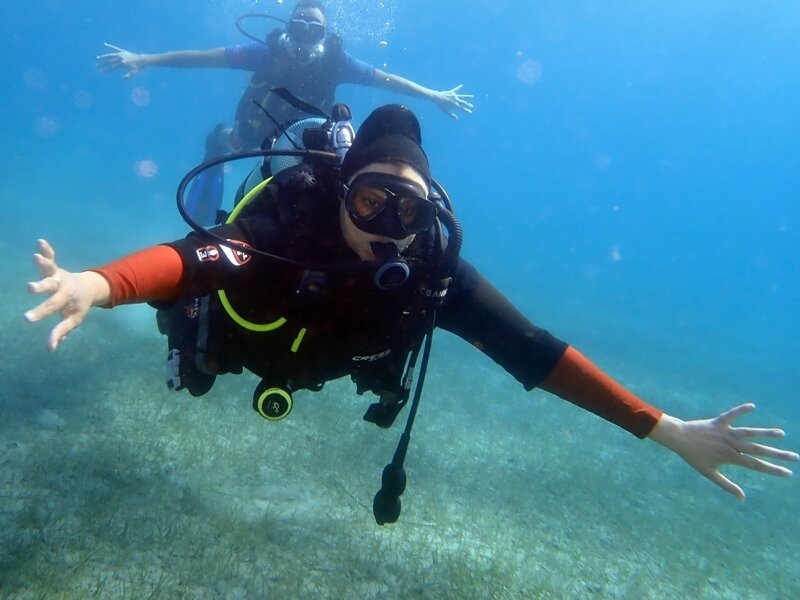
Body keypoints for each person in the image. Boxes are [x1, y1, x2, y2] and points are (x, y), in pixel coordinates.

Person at [24, 104, 797, 524]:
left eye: (409, 209)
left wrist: (663, 428)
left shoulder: (433, 271)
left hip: (316, 363)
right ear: (342, 194)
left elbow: (533, 351)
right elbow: (194, 259)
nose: (389, 225)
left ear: (431, 213)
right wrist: (100, 284)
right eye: (370, 201)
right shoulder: (290, 225)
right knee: (192, 351)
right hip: (235, 340)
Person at [97, 0, 474, 226]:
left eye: (315, 30)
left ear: (325, 35)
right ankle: (215, 166)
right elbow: (203, 58)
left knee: (324, 175)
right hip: (253, 128)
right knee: (228, 143)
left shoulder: (338, 61)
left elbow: (386, 80)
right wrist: (145, 59)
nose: (306, 35)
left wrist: (433, 95)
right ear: (289, 28)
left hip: (305, 137)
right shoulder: (265, 52)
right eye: (300, 27)